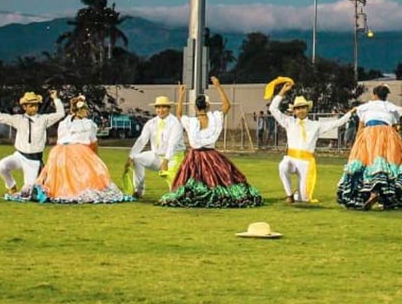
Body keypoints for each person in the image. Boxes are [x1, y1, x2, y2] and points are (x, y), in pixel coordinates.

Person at [158, 78, 263, 208]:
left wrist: (181, 95)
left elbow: (179, 114)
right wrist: (218, 86)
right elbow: (227, 106)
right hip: (212, 157)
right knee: (222, 180)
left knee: (188, 184)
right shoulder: (215, 118)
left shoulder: (191, 122)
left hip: (194, 157)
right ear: (208, 106)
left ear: (195, 107)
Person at [336, 85, 402, 209]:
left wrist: (357, 144)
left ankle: (372, 194)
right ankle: (386, 197)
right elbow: (396, 124)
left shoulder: (365, 108)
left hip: (369, 134)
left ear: (374, 94)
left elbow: (361, 128)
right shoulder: (391, 108)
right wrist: (400, 144)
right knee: (389, 166)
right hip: (388, 135)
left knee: (369, 164)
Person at [33, 97, 132, 204]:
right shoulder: (88, 124)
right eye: (85, 109)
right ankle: (76, 191)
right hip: (77, 151)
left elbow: (60, 140)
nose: (86, 112)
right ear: (80, 110)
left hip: (58, 152)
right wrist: (95, 158)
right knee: (90, 172)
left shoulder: (64, 123)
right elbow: (93, 142)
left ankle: (58, 191)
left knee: (62, 174)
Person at [268, 78, 353, 203]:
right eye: (298, 108)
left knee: (304, 200)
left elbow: (336, 123)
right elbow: (273, 109)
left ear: (307, 109)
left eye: (303, 107)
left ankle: (298, 195)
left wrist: (349, 114)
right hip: (291, 158)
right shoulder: (289, 122)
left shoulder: (315, 125)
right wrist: (282, 91)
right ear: (294, 111)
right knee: (283, 166)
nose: (301, 110)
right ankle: (289, 195)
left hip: (306, 162)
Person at [0, 89, 65, 197]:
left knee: (27, 192)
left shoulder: (43, 119)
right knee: (1, 166)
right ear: (24, 107)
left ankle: (33, 185)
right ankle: (11, 186)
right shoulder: (18, 119)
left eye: (36, 105)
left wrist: (55, 98)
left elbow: (60, 114)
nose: (34, 108)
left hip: (33, 160)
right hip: (19, 155)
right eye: (31, 105)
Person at [126, 93, 185, 198]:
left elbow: (173, 143)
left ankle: (176, 193)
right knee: (137, 159)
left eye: (163, 107)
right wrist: (131, 156)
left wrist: (166, 160)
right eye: (158, 107)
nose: (160, 110)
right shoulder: (151, 123)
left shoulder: (175, 123)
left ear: (169, 108)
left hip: (174, 157)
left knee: (174, 187)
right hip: (157, 156)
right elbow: (142, 140)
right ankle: (138, 191)